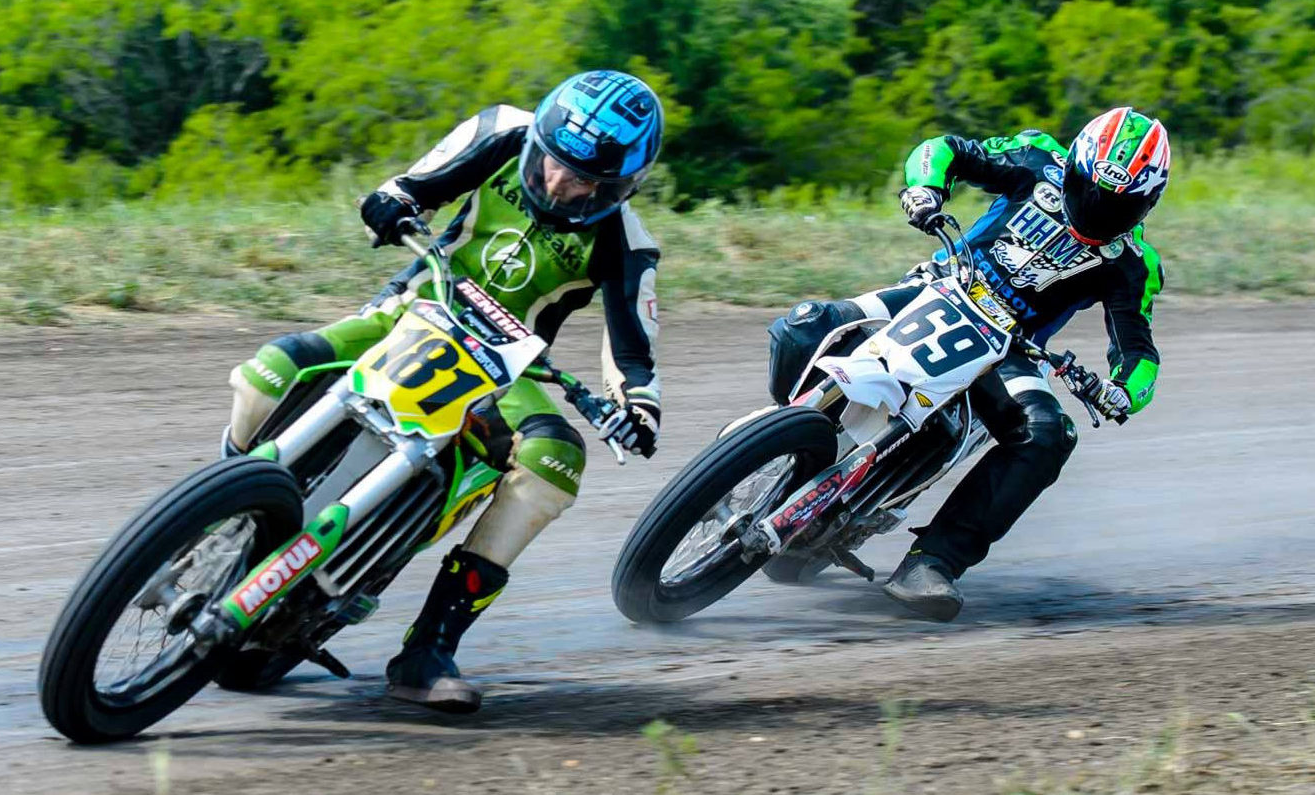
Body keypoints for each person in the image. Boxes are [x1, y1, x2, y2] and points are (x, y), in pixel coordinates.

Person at [221, 71, 665, 712]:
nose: (557, 183)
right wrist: (389, 203)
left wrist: (636, 409)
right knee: (271, 367)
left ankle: (429, 646)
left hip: (506, 373)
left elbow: (633, 355)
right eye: (551, 162)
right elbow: (414, 186)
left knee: (556, 460)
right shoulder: (501, 132)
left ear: (624, 186)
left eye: (585, 181)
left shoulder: (628, 244)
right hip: (409, 312)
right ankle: (219, 511)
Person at [768, 107, 1169, 622]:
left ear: (1146, 205)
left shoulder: (1134, 264)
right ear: (1074, 165)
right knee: (803, 324)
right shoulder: (1036, 157)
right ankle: (779, 441)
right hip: (933, 286)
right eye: (1089, 189)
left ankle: (933, 562)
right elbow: (946, 149)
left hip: (1011, 350)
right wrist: (925, 189)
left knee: (1050, 435)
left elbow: (1138, 353)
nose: (1095, 208)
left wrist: (1121, 390)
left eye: (1115, 206)